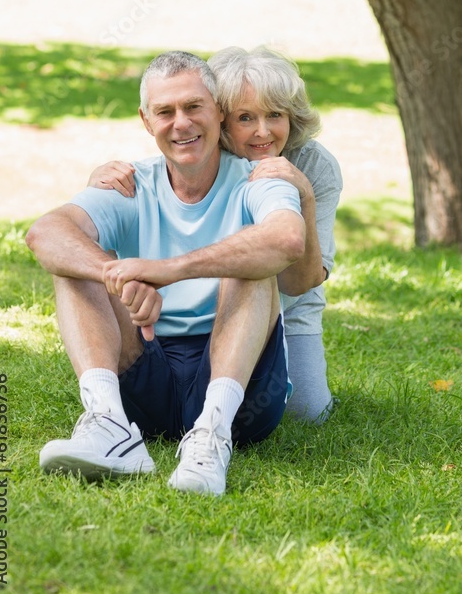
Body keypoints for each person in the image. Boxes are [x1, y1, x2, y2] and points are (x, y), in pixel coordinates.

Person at [25, 51, 306, 496]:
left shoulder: (259, 179)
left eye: (194, 107)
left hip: (239, 388)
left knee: (250, 258)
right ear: (145, 119)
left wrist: (166, 271)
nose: (182, 123)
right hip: (145, 373)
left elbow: (288, 240)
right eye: (165, 111)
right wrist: (121, 277)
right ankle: (109, 424)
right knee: (76, 264)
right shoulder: (130, 183)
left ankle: (212, 437)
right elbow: (45, 234)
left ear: (218, 110)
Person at [88, 46, 343, 423]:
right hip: (201, 308)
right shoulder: (204, 152)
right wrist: (98, 187)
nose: (262, 131)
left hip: (287, 304)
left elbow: (301, 283)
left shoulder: (313, 166)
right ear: (221, 120)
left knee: (307, 413)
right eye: (245, 117)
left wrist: (302, 193)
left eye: (275, 115)